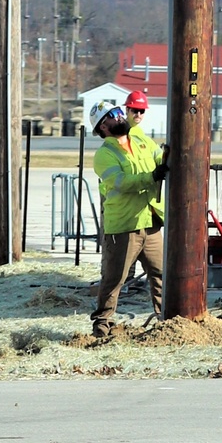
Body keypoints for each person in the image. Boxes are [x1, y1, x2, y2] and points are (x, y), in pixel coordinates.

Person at [89, 90, 167, 342]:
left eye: (119, 111)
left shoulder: (142, 142)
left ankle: (167, 322)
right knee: (115, 279)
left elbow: (160, 157)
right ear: (104, 125)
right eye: (113, 114)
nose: (121, 115)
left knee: (161, 274)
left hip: (150, 219)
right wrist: (152, 176)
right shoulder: (105, 154)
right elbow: (121, 182)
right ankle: (102, 326)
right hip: (124, 225)